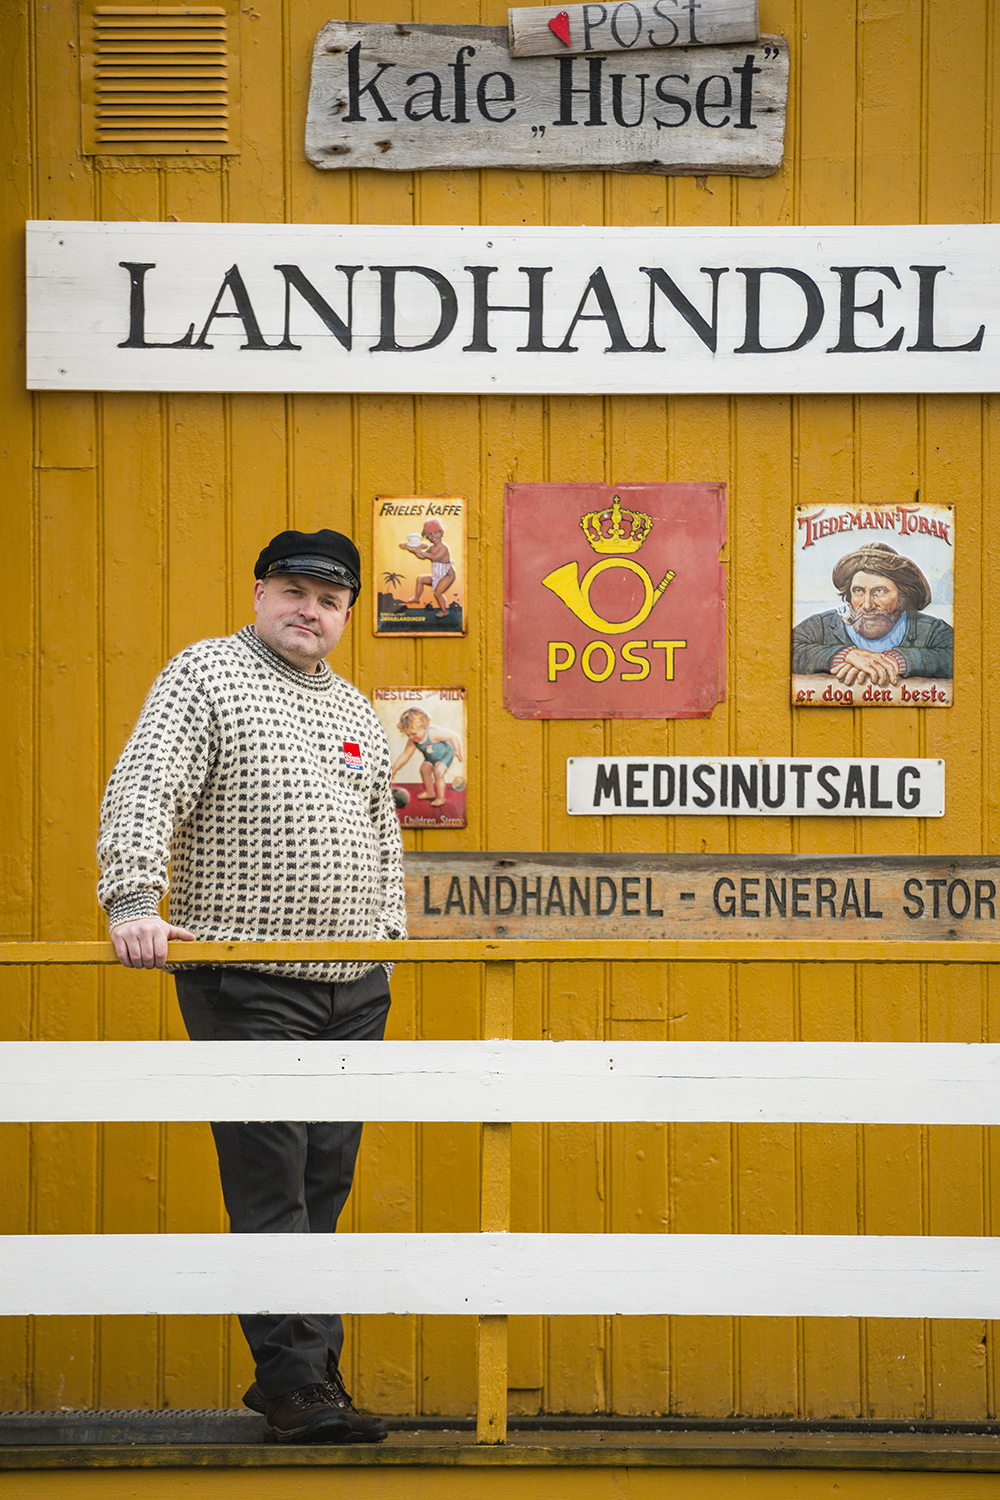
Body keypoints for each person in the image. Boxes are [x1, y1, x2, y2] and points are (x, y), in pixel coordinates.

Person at [97, 528, 406, 1446]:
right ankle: (296, 1387)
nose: (312, 610)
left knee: (327, 1182)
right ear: (263, 592)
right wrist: (132, 901)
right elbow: (145, 787)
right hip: (246, 975)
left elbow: (383, 841)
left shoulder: (353, 707)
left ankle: (307, 1373)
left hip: (355, 984)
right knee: (273, 1183)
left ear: (348, 615)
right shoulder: (206, 675)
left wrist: (387, 945)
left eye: (332, 600)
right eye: (296, 591)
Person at [791, 542, 953, 686]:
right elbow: (790, 648)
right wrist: (846, 655)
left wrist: (897, 660)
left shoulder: (933, 630)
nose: (867, 605)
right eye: (859, 591)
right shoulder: (821, 625)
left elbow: (954, 654)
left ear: (902, 596)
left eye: (880, 591)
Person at [391, 707, 464, 807]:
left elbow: (453, 736)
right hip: (431, 758)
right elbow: (406, 754)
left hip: (445, 754)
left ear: (424, 727)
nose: (411, 737)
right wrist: (395, 768)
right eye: (408, 735)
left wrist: (457, 750)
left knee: (438, 771)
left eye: (413, 734)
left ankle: (440, 798)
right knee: (424, 769)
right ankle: (430, 792)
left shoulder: (434, 733)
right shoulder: (413, 740)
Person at [400, 520, 456, 617]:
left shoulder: (443, 548)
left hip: (447, 575)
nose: (433, 536)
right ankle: (417, 598)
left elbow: (434, 557)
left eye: (436, 532)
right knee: (420, 579)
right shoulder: (432, 547)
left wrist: (421, 551)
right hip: (437, 574)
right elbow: (423, 556)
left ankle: (444, 612)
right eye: (429, 535)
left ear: (441, 533)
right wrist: (415, 551)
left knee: (438, 593)